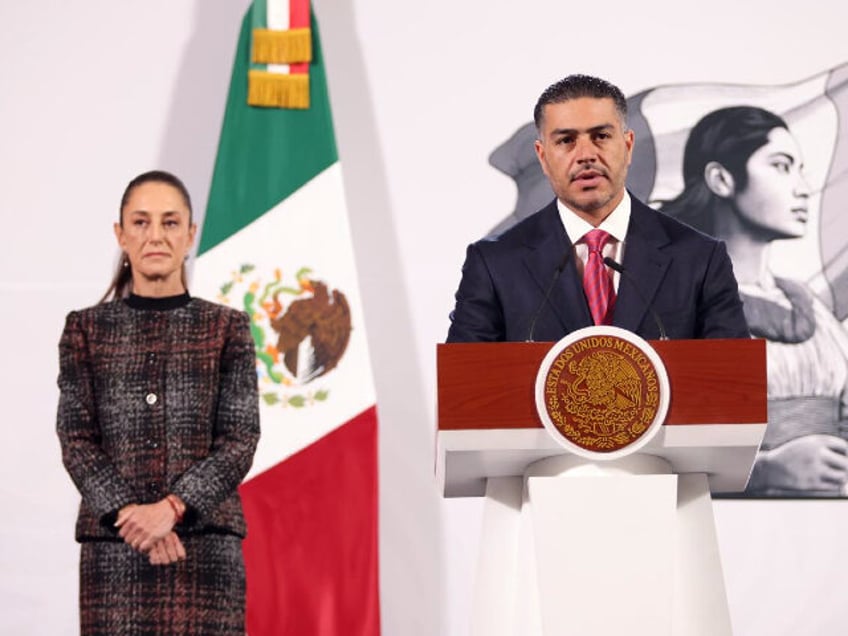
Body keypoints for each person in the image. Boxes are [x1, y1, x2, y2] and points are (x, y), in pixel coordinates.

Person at [56, 170, 260, 634]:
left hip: (203, 549)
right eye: (141, 222)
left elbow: (240, 439)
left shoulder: (226, 328)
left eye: (170, 223)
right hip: (115, 551)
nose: (155, 236)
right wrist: (133, 519)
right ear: (120, 234)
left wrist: (171, 510)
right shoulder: (85, 330)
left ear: (190, 235)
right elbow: (76, 438)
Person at [446, 74, 749, 343]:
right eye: (566, 140)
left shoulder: (699, 258)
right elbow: (467, 391)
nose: (586, 155)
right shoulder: (495, 264)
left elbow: (733, 387)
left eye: (601, 136)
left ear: (628, 146)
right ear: (542, 157)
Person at [660, 106, 848, 496]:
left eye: (800, 169)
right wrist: (764, 470)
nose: (801, 187)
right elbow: (650, 444)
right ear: (721, 179)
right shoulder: (678, 304)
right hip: (738, 523)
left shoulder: (810, 305)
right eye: (781, 166)